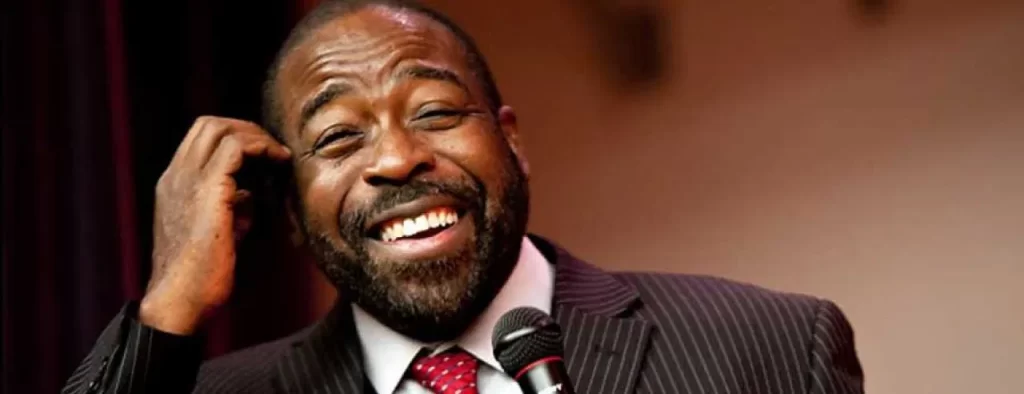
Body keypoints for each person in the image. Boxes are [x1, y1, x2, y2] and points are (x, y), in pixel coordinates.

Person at [62, 0, 864, 393]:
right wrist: (167, 306)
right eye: (340, 137)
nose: (400, 159)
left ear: (511, 142)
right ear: (292, 217)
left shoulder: (769, 348)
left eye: (436, 113)